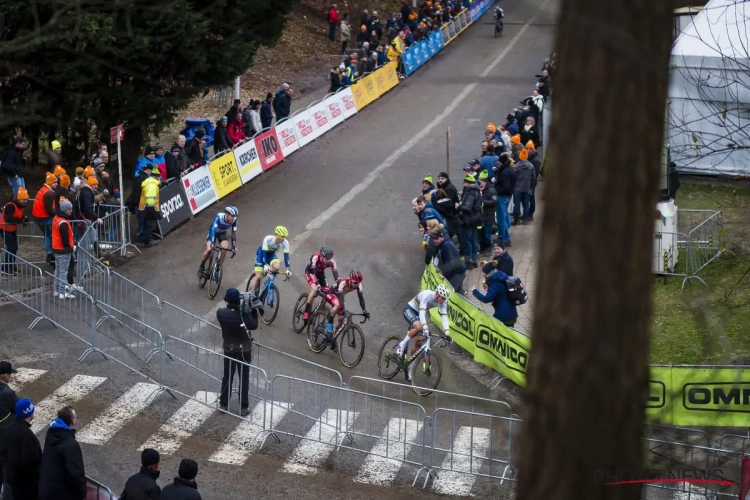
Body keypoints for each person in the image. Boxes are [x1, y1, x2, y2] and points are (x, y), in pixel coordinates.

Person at [217, 288, 259, 415]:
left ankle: (223, 404)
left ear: (226, 300)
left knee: (227, 376)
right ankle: (243, 407)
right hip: (244, 350)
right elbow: (254, 325)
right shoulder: (244, 316)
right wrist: (252, 308)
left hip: (228, 348)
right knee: (244, 377)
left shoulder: (221, 313)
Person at [397, 286, 452, 382]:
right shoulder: (427, 295)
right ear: (437, 294)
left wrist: (447, 333)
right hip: (410, 309)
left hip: (418, 315)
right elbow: (422, 314)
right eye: (442, 298)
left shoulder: (443, 302)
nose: (443, 301)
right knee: (420, 327)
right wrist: (425, 327)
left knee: (418, 342)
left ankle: (409, 368)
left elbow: (444, 317)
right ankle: (401, 345)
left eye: (445, 299)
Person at [38, 406, 86, 500]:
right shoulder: (71, 444)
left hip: (46, 490)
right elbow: (76, 474)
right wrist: (82, 494)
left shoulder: (51, 433)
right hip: (62, 494)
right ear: (73, 421)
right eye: (75, 416)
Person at [319, 270, 369, 351]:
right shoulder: (343, 283)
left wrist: (364, 310)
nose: (357, 285)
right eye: (355, 283)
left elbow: (361, 298)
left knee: (341, 320)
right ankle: (329, 328)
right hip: (331, 293)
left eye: (358, 283)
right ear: (351, 280)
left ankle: (333, 339)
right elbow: (341, 298)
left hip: (339, 297)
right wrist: (343, 309)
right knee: (338, 305)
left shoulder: (358, 284)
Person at [2, 399, 42, 500]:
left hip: (10, 481)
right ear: (28, 413)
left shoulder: (7, 429)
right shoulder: (27, 435)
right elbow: (32, 461)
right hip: (26, 487)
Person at [472, 261, 517, 327]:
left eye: (484, 272)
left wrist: (475, 291)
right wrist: (489, 289)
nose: (483, 274)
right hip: (511, 313)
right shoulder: (499, 277)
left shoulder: (495, 283)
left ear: (488, 273)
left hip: (503, 316)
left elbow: (486, 299)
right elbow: (499, 292)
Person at [198, 206, 238, 278]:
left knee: (224, 250)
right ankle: (202, 265)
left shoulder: (234, 220)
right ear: (227, 215)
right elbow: (213, 229)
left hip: (222, 234)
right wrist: (212, 243)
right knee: (209, 250)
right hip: (213, 233)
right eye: (232, 216)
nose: (234, 218)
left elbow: (233, 233)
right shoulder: (219, 217)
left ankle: (217, 268)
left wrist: (234, 247)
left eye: (234, 216)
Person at [249, 226, 292, 293]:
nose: (283, 238)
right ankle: (250, 294)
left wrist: (287, 269)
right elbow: (264, 253)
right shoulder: (268, 239)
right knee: (258, 276)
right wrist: (265, 264)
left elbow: (286, 256)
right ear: (277, 235)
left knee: (276, 267)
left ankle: (269, 281)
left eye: (284, 237)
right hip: (262, 253)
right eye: (282, 236)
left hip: (271, 254)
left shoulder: (285, 243)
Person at [302, 246, 339, 321]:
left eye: (329, 259)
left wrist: (337, 287)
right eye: (326, 259)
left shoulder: (332, 262)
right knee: (315, 290)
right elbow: (314, 274)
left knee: (327, 291)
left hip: (320, 274)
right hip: (311, 272)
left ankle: (320, 308)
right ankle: (306, 311)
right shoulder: (315, 257)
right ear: (322, 256)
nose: (328, 261)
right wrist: (318, 285)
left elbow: (337, 278)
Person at [0, 361, 19, 499]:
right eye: (9, 374)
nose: (11, 377)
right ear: (3, 375)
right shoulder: (7, 393)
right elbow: (20, 408)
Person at [32, 172, 59, 267]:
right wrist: (59, 215)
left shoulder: (43, 189)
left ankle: (49, 253)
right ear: (50, 183)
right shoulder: (48, 194)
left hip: (38, 217)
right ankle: (50, 254)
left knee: (47, 235)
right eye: (55, 182)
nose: (57, 184)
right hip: (44, 218)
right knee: (50, 234)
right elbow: (49, 211)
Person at [51, 198, 77, 299]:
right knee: (63, 271)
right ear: (65, 210)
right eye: (69, 209)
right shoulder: (63, 222)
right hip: (63, 250)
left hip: (56, 248)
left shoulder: (56, 218)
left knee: (58, 270)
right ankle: (62, 292)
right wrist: (71, 247)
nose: (71, 211)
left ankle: (56, 290)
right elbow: (65, 238)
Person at [0, 187, 29, 276]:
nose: (25, 201)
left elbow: (18, 215)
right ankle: (6, 268)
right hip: (4, 228)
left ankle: (11, 266)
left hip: (11, 229)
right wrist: (21, 221)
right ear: (19, 199)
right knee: (11, 248)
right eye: (23, 200)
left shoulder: (20, 206)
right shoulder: (10, 206)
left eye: (26, 200)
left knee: (14, 247)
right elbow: (9, 219)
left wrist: (24, 218)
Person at [427, 229, 466, 294]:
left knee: (448, 293)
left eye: (437, 238)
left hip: (456, 273)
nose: (435, 241)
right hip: (459, 271)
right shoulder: (444, 244)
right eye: (433, 239)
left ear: (442, 237)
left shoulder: (446, 246)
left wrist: (444, 275)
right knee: (458, 292)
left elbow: (451, 263)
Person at [457, 173, 482, 269]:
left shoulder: (470, 193)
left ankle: (469, 261)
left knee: (467, 240)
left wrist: (458, 206)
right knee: (473, 240)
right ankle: (475, 260)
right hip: (475, 219)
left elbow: (467, 207)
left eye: (464, 183)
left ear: (467, 183)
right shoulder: (476, 191)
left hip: (468, 220)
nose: (463, 184)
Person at [494, 153, 516, 247]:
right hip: (507, 197)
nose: (497, 165)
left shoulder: (504, 173)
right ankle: (506, 238)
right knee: (503, 218)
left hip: (502, 196)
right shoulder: (510, 169)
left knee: (501, 219)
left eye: (499, 164)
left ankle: (502, 238)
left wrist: (496, 189)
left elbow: (505, 187)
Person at [138, 168, 162, 247]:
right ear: (156, 177)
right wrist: (152, 209)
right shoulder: (152, 185)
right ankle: (148, 241)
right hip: (149, 207)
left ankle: (147, 240)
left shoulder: (147, 183)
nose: (159, 178)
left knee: (146, 224)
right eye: (158, 177)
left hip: (143, 207)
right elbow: (150, 197)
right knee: (149, 225)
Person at [513, 148, 535, 225]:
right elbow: (533, 177)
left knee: (517, 204)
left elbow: (513, 177)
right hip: (527, 188)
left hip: (517, 188)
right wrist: (531, 187)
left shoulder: (516, 166)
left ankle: (516, 219)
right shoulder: (531, 166)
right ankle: (525, 219)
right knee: (526, 204)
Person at [478, 170, 497, 253]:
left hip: (488, 215)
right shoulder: (477, 189)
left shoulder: (491, 190)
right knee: (480, 233)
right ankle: (482, 246)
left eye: (481, 181)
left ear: (485, 181)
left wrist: (483, 202)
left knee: (487, 233)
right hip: (480, 216)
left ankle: (488, 247)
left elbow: (494, 202)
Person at [526, 141, 542, 221]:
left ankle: (531, 214)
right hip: (528, 181)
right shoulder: (531, 157)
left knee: (531, 198)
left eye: (529, 149)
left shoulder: (536, 160)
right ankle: (528, 213)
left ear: (532, 149)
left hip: (532, 182)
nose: (527, 150)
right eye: (527, 149)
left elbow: (535, 173)